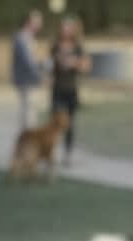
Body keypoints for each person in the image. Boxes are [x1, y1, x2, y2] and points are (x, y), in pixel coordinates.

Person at [50, 16, 91, 166]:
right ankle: (50, 153)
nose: (66, 29)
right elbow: (50, 66)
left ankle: (67, 155)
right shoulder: (55, 46)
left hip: (71, 90)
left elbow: (86, 66)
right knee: (55, 123)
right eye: (64, 26)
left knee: (69, 125)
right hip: (57, 89)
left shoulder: (78, 47)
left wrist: (74, 63)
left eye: (69, 27)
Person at [11, 10, 43, 131]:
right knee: (29, 115)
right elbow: (28, 62)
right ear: (29, 22)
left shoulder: (27, 37)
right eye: (38, 22)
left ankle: (27, 141)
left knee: (29, 113)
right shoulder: (23, 38)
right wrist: (41, 76)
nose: (40, 25)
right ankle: (28, 143)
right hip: (27, 81)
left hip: (28, 80)